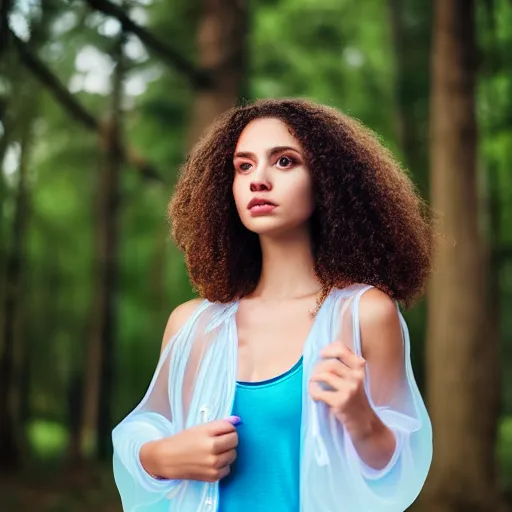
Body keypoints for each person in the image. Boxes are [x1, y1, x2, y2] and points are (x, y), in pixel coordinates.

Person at [112, 98, 433, 512]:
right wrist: (160, 457)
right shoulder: (191, 324)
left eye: (284, 162)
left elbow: (400, 468)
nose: (257, 179)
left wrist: (361, 417)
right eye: (243, 166)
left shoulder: (364, 313)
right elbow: (145, 426)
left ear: (327, 181)